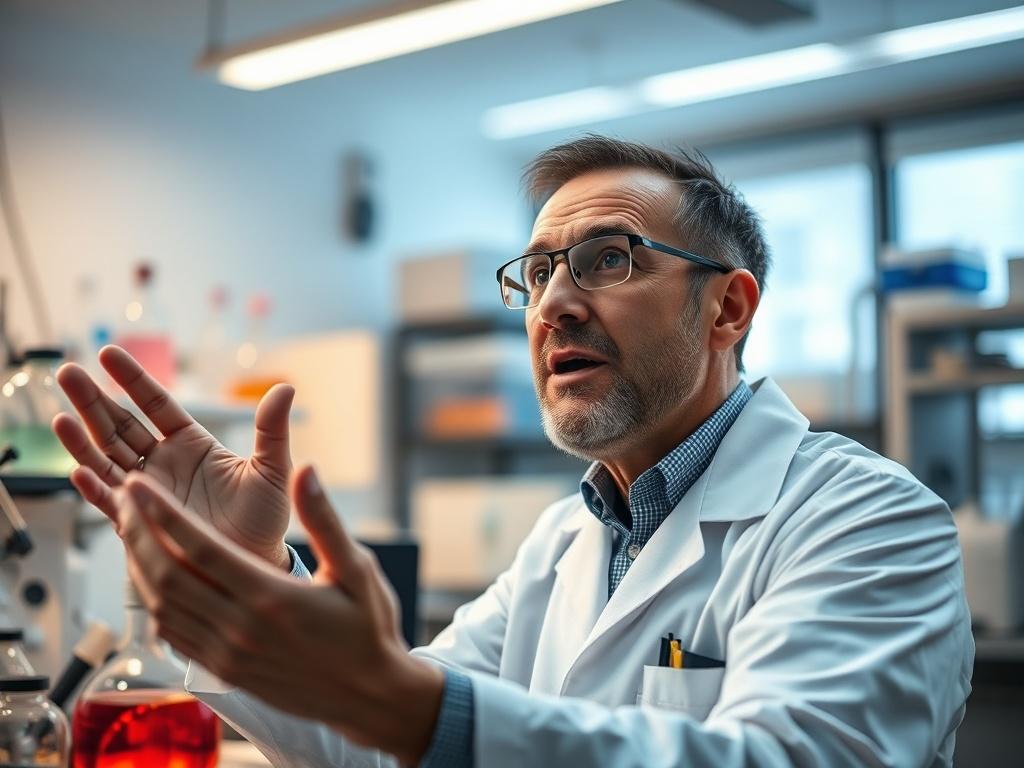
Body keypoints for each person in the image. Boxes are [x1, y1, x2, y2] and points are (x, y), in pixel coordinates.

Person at [52, 135, 973, 767]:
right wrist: (250, 567)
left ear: (727, 308)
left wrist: (411, 706)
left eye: (609, 258)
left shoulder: (869, 521)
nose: (554, 305)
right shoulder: (564, 546)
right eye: (538, 272)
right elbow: (381, 735)